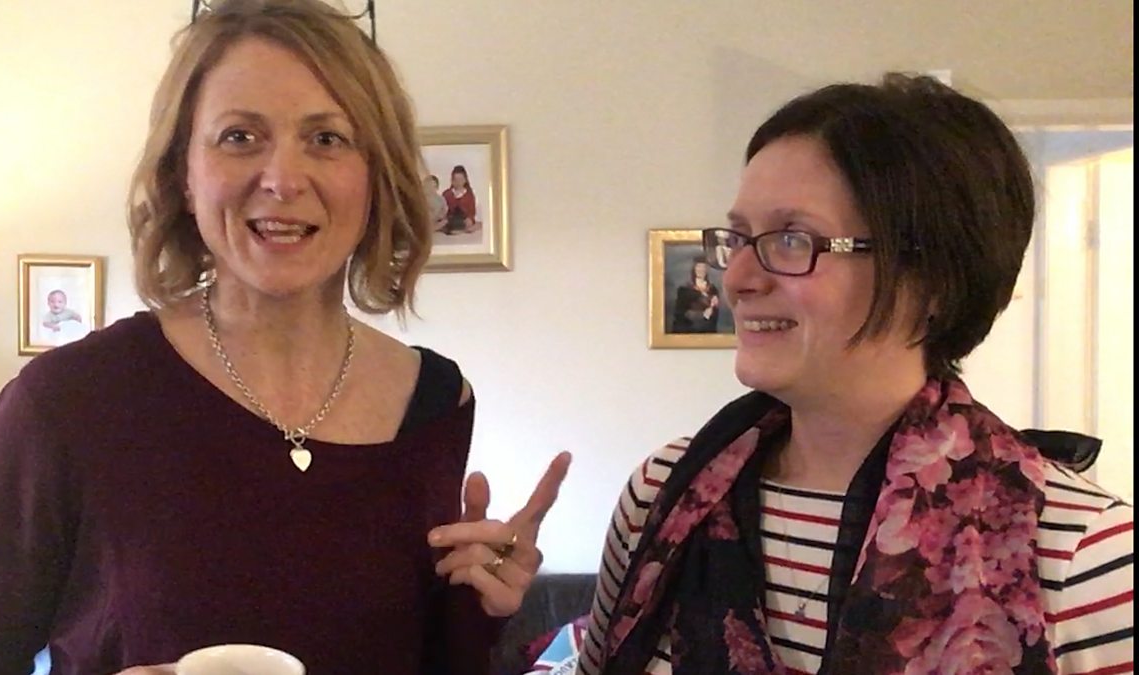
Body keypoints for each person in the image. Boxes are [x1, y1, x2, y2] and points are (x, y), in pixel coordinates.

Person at [0, 1, 569, 673]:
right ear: (183, 173)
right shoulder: (69, 401)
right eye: (239, 136)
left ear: (375, 178)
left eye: (326, 138)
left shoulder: (437, 402)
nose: (283, 179)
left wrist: (479, 610)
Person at [576, 74, 1133, 674]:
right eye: (738, 238)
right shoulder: (662, 495)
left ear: (934, 280)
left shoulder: (1085, 558)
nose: (736, 278)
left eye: (793, 239)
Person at [670, 257, 722, 333]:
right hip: (689, 331)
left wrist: (715, 305)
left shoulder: (713, 290)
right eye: (698, 267)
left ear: (707, 270)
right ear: (694, 269)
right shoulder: (684, 290)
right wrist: (701, 315)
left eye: (703, 267)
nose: (701, 270)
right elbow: (679, 313)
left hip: (708, 331)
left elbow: (715, 316)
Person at [441, 164, 480, 235]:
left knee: (471, 223)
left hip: (464, 219)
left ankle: (463, 230)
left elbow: (472, 212)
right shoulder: (447, 194)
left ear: (465, 180)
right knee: (444, 223)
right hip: (450, 218)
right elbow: (442, 209)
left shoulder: (469, 195)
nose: (458, 182)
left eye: (461, 180)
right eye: (456, 180)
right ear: (452, 181)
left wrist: (469, 218)